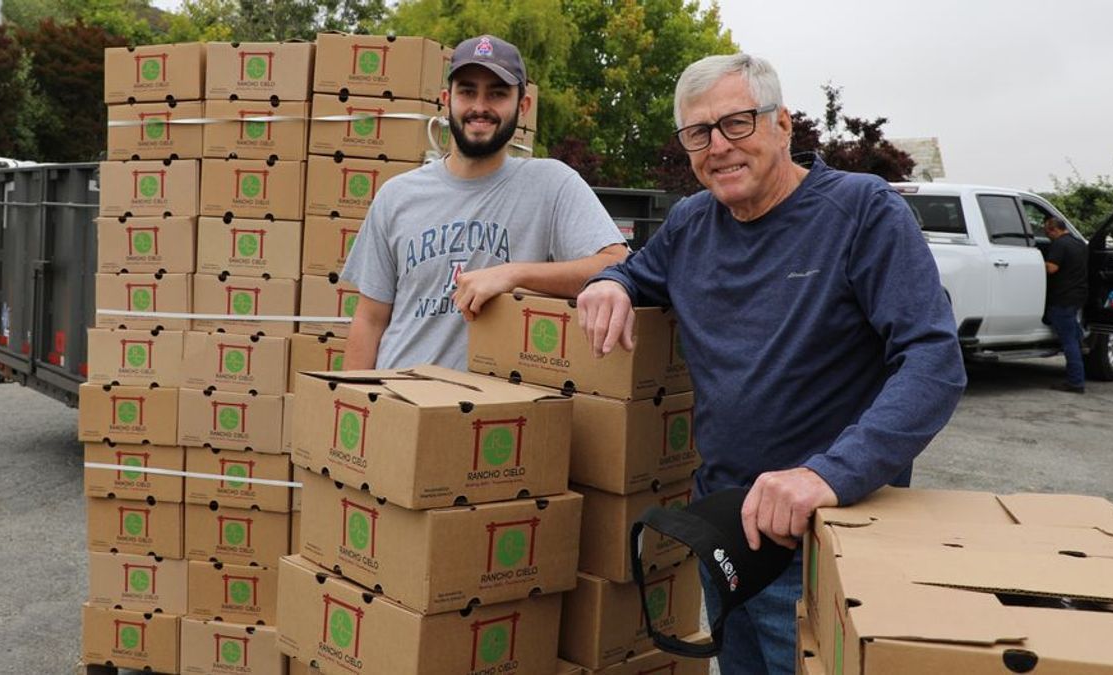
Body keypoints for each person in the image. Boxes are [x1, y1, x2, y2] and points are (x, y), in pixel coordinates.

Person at [576, 54, 966, 674]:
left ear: (783, 124)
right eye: (697, 134)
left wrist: (826, 476)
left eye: (737, 123)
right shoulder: (690, 222)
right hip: (728, 533)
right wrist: (609, 283)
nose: (718, 147)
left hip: (825, 541)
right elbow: (633, 270)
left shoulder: (862, 212)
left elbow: (933, 361)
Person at [341, 34, 628, 370]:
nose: (480, 106)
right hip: (399, 403)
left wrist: (514, 274)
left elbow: (618, 265)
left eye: (497, 93)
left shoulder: (552, 185)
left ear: (523, 106)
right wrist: (356, 403)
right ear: (446, 100)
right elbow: (370, 320)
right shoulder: (397, 195)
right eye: (467, 91)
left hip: (497, 415)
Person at [1043, 215, 1088, 393]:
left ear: (1054, 229)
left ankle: (1076, 382)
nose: (1048, 236)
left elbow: (1052, 268)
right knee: (1073, 333)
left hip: (1062, 297)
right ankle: (1081, 339)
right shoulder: (1079, 244)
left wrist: (1038, 262)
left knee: (1069, 341)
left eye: (1048, 232)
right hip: (1078, 295)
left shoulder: (1060, 244)